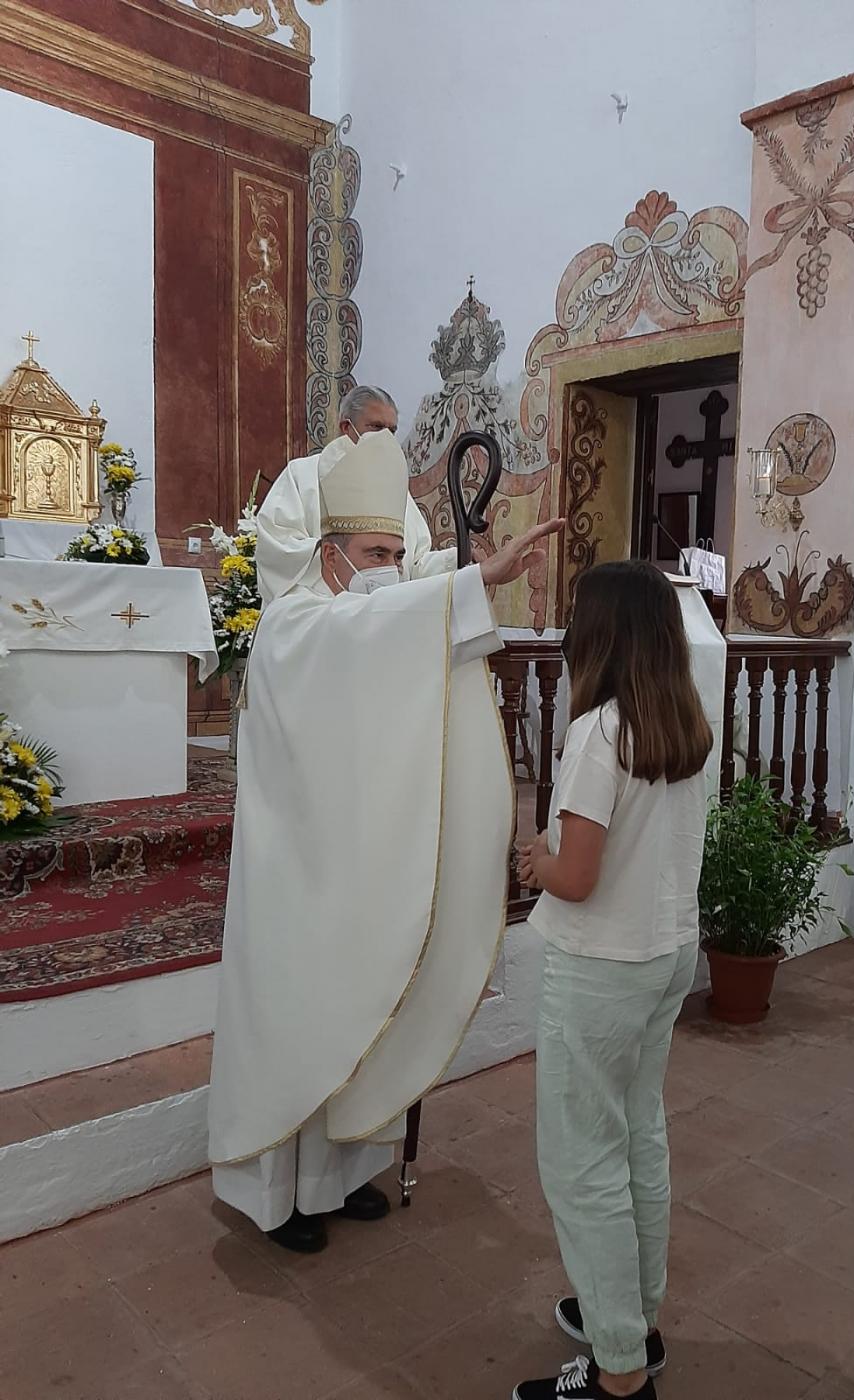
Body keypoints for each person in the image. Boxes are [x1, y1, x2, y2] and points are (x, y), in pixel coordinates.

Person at [208, 426, 562, 1253]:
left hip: (355, 859)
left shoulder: (357, 608)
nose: (388, 568)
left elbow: (395, 621)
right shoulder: (295, 627)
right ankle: (282, 1197)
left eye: (398, 553)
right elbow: (372, 631)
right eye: (373, 551)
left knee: (363, 1006)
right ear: (329, 553)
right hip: (299, 873)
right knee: (307, 1018)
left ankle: (337, 1180)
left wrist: (465, 583)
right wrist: (472, 586)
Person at [514, 561, 715, 1400]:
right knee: (637, 1136)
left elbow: (579, 876)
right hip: (665, 955)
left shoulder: (599, 731)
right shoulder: (681, 722)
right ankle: (633, 1319)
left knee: (580, 1162)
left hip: (600, 965)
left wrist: (535, 860)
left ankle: (620, 1376)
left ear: (599, 634)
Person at [254, 385, 453, 606]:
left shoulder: (393, 487)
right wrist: (343, 564)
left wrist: (456, 561)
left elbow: (414, 565)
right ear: (346, 427)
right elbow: (277, 548)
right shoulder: (302, 475)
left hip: (382, 618)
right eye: (376, 427)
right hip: (321, 617)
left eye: (392, 431)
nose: (385, 439)